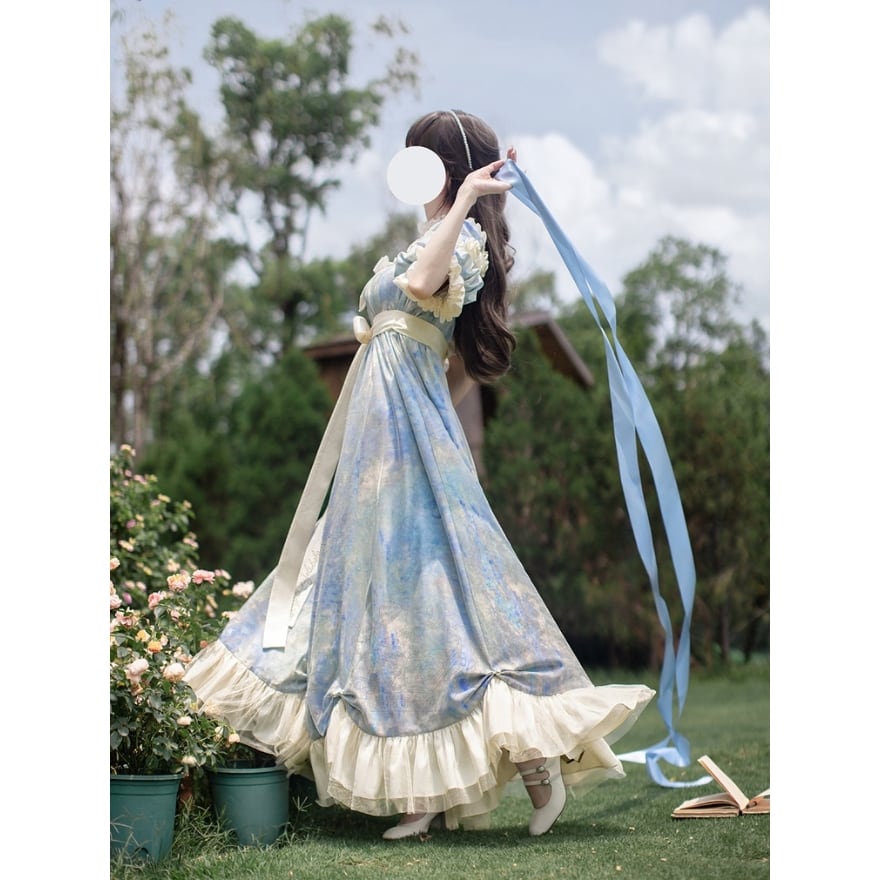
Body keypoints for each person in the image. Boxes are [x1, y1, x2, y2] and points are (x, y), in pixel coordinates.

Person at [184, 109, 655, 840]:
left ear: (447, 167)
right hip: (374, 446)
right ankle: (422, 792)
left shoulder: (462, 242)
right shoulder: (428, 235)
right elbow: (399, 328)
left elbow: (422, 283)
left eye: (421, 158)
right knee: (385, 605)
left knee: (439, 596)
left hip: (410, 443)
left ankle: (535, 768)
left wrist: (466, 199)